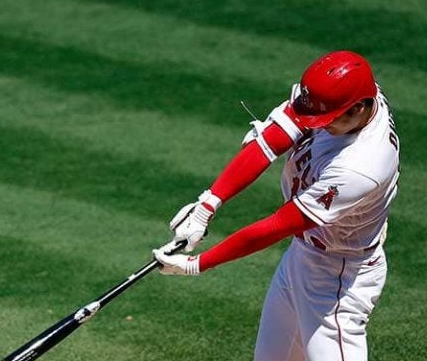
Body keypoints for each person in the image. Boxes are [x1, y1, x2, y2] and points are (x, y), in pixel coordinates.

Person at [152, 50, 399, 361]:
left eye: (325, 121)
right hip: (302, 257)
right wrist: (207, 205)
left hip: (338, 279)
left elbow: (279, 225)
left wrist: (197, 264)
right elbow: (270, 142)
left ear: (358, 109)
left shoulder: (362, 166)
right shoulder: (346, 95)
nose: (316, 126)